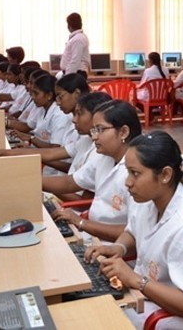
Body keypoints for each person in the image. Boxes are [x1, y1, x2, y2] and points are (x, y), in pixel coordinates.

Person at [85, 131, 183, 328]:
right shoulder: (149, 199)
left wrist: (138, 281)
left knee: (103, 318)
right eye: (127, 172)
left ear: (165, 175)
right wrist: (119, 248)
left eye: (135, 173)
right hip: (155, 298)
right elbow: (133, 231)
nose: (127, 182)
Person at [0, 90, 112, 199]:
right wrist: (1, 152)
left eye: (79, 115)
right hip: (61, 194)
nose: (74, 120)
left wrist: (29, 180)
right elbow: (50, 154)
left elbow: (82, 201)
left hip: (70, 207)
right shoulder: (85, 140)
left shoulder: (102, 152)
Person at [48, 99, 142, 242]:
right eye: (94, 130)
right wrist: (29, 180)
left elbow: (135, 232)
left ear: (123, 132)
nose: (94, 136)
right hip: (91, 235)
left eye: (100, 130)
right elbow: (69, 182)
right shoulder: (104, 157)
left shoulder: (140, 173)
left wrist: (81, 222)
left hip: (113, 250)